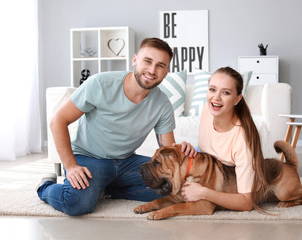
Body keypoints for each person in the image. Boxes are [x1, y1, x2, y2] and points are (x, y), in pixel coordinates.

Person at [37, 37, 196, 216]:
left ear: (166, 72)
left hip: (126, 161)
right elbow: (57, 120)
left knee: (174, 187)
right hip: (88, 157)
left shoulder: (162, 104)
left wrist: (181, 150)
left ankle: (107, 190)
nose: (152, 70)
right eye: (148, 61)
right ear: (135, 60)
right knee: (76, 203)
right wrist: (71, 166)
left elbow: (167, 150)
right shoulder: (100, 84)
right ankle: (46, 186)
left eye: (160, 65)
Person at [181, 66, 268, 211]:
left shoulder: (242, 141)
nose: (216, 98)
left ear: (237, 99)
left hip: (227, 178)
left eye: (226, 92)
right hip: (208, 165)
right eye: (212, 89)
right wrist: (187, 150)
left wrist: (204, 193)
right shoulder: (207, 110)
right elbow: (206, 149)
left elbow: (246, 203)